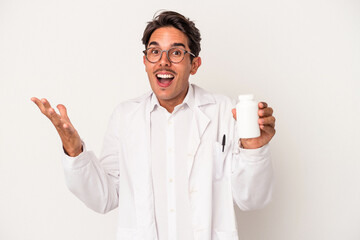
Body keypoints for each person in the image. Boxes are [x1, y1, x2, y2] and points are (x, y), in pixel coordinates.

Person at [31, 11, 276, 240]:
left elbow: (251, 199)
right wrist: (74, 151)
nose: (164, 62)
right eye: (155, 52)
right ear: (145, 61)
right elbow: (104, 197)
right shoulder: (125, 116)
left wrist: (254, 149)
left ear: (195, 64)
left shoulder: (225, 111)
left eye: (177, 53)